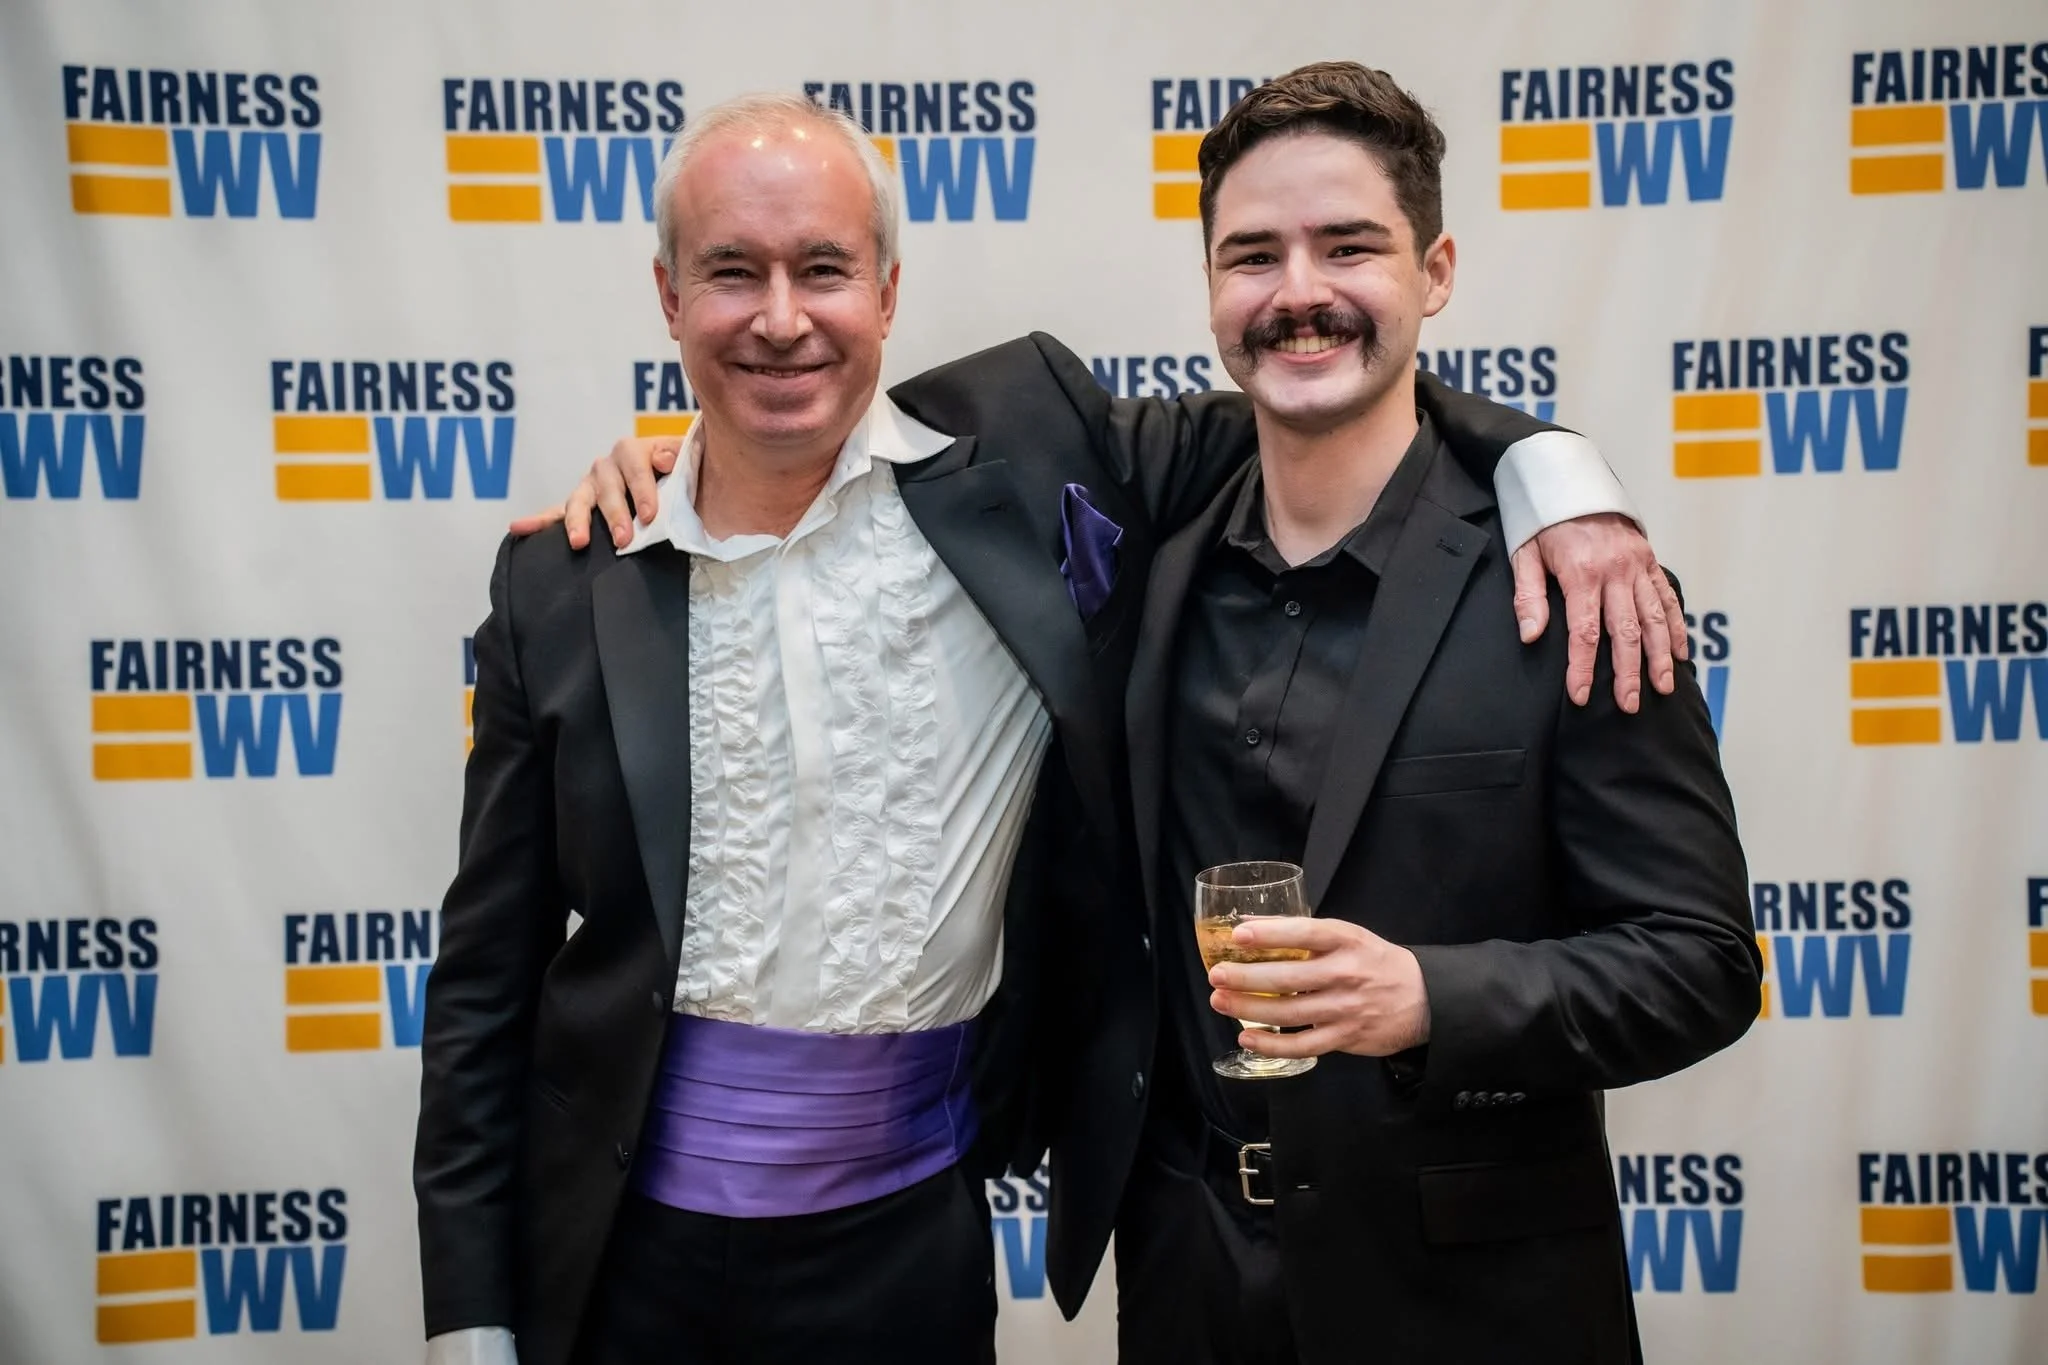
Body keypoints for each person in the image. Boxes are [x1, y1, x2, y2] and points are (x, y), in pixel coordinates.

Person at [426, 88, 1684, 1365]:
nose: (782, 317)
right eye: (731, 272)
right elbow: (483, 984)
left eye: (824, 269)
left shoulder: (1027, 456)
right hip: (614, 1256)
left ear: (889, 291)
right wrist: (469, 1312)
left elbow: (1326, 382)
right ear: (667, 295)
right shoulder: (563, 585)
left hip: (911, 1246)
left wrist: (1553, 472)